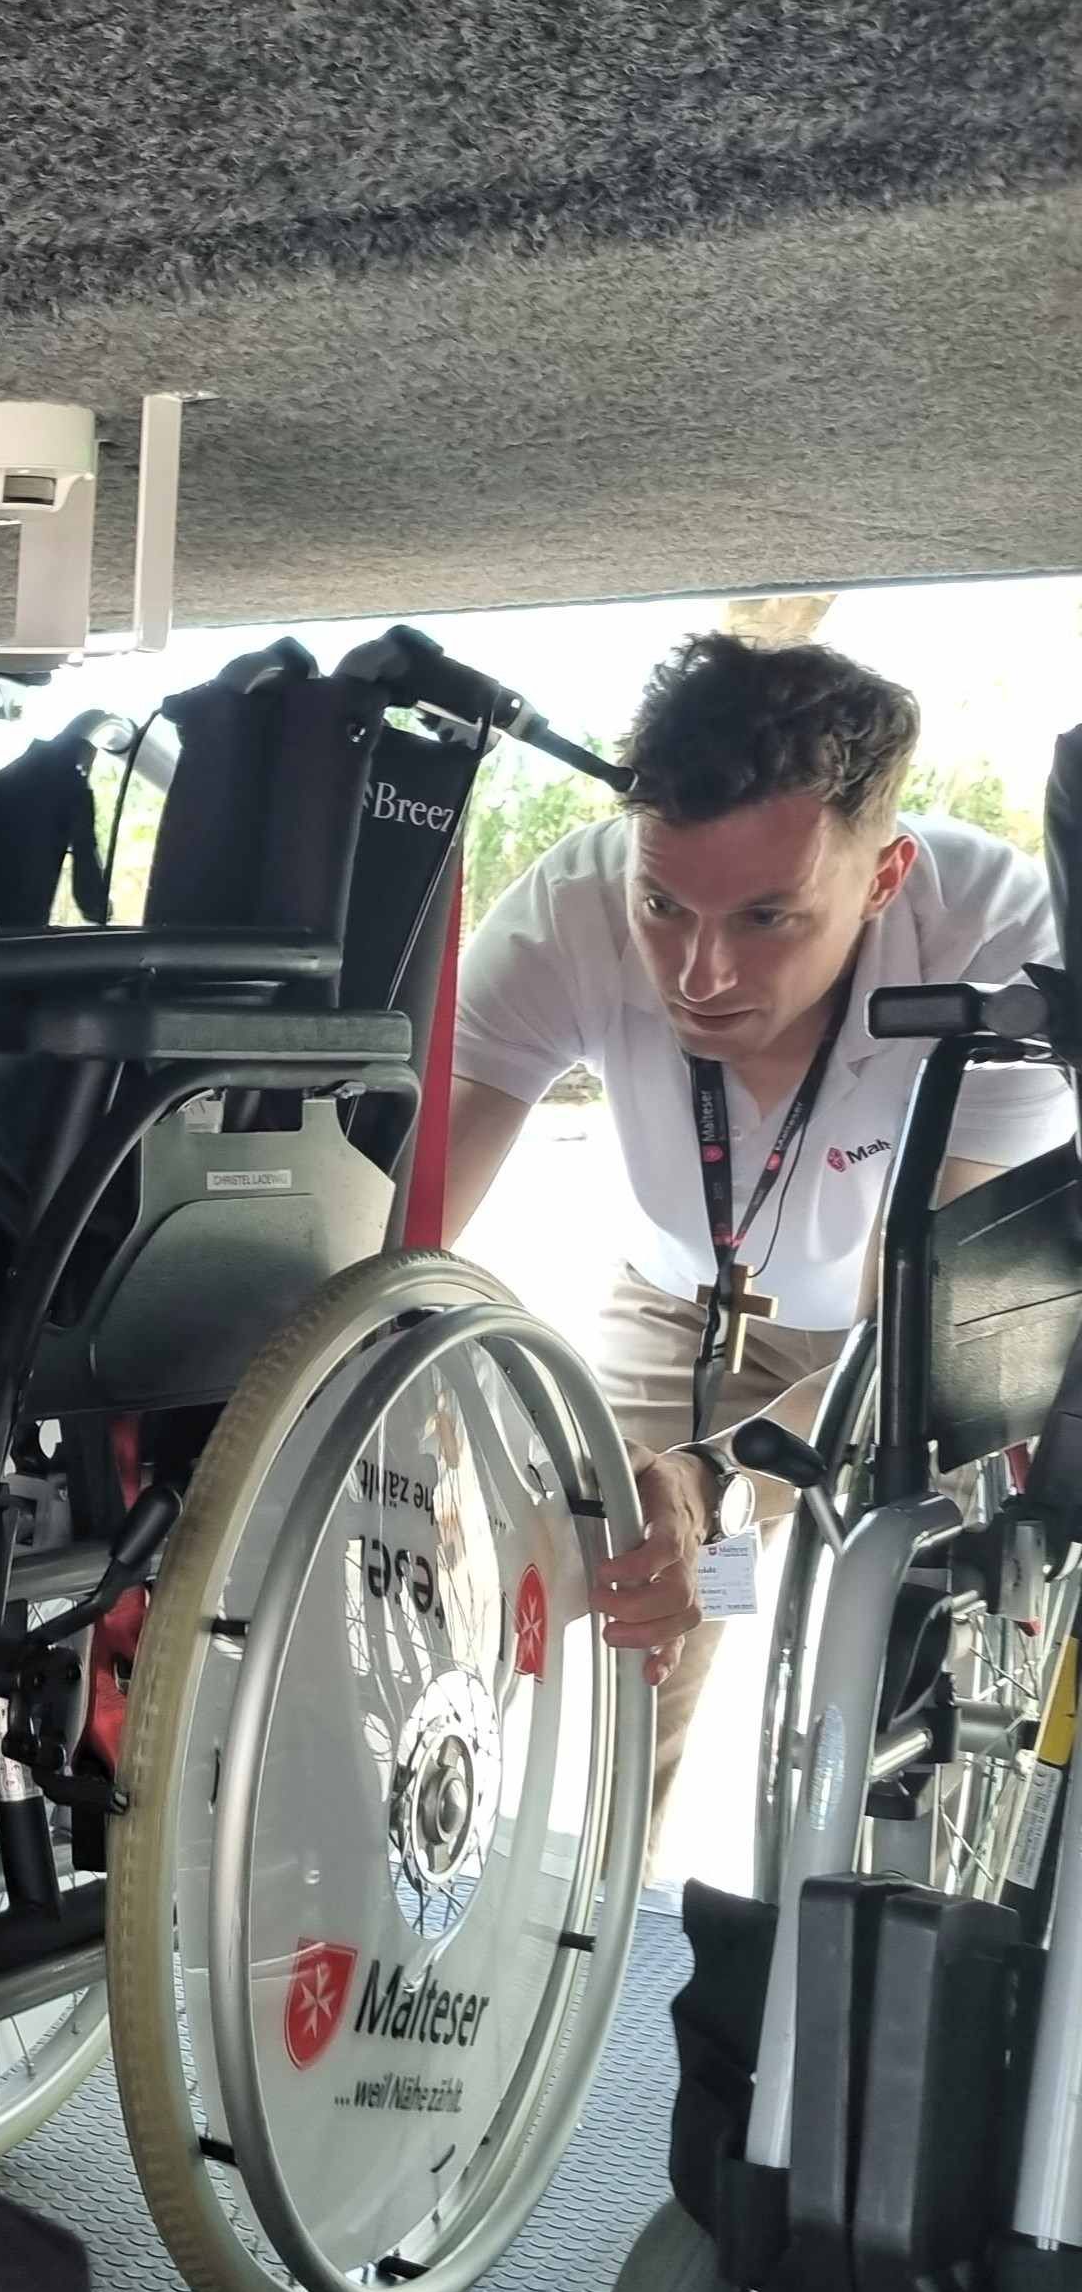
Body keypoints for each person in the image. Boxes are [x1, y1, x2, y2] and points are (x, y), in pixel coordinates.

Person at [445, 631, 1073, 1830]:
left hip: (903, 1321)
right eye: (664, 906)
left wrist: (717, 1478)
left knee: (908, 1699)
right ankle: (582, 1930)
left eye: (767, 919)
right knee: (608, 1616)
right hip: (680, 1299)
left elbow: (925, 1342)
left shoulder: (998, 940)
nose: (700, 971)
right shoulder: (571, 913)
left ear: (883, 876)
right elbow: (399, 1241)